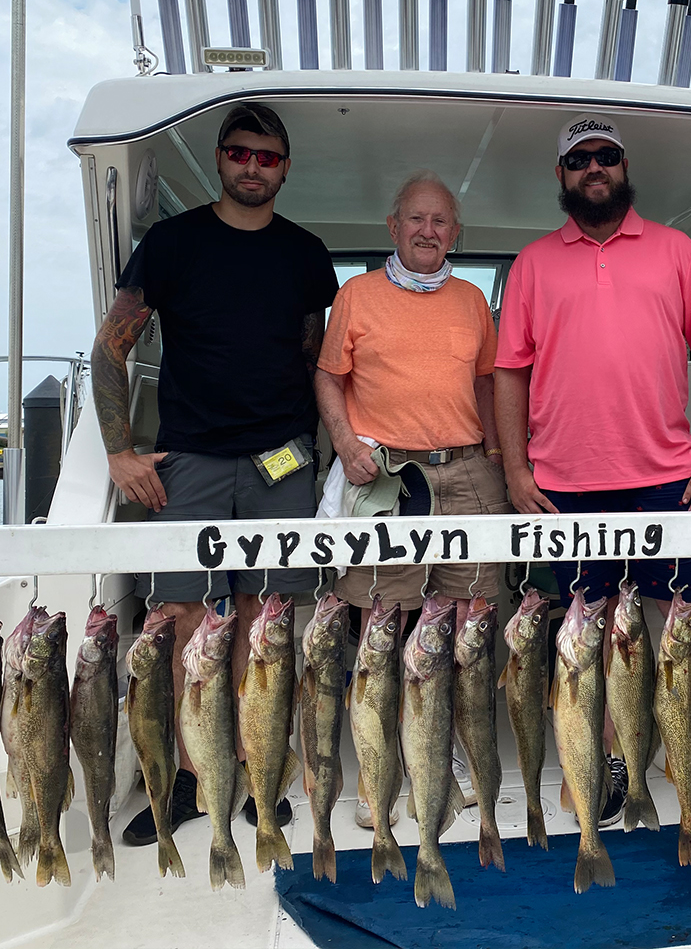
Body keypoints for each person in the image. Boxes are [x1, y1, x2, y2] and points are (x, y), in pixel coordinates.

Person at [494, 113, 691, 830]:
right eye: (580, 160)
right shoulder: (533, 264)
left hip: (672, 475)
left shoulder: (676, 252)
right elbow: (509, 373)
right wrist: (517, 470)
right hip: (564, 485)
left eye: (606, 157)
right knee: (593, 630)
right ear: (562, 176)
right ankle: (607, 760)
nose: (594, 169)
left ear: (624, 166)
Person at [91, 103, 339, 845]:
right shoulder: (172, 243)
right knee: (188, 618)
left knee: (267, 621)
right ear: (221, 158)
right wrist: (119, 451)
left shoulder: (305, 253)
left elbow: (310, 353)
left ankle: (254, 764)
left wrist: (315, 449)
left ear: (285, 168)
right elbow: (111, 349)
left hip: (281, 458)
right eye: (240, 153)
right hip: (190, 457)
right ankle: (195, 779)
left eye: (267, 157)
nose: (253, 167)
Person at [314, 169, 510, 824]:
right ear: (393, 228)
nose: (428, 231)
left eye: (441, 222)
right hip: (388, 478)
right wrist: (344, 442)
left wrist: (497, 459)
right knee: (383, 623)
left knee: (466, 621)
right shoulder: (357, 296)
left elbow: (487, 385)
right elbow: (328, 377)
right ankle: (383, 771)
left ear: (456, 234)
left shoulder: (472, 302)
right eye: (416, 220)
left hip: (465, 470)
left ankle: (452, 756)